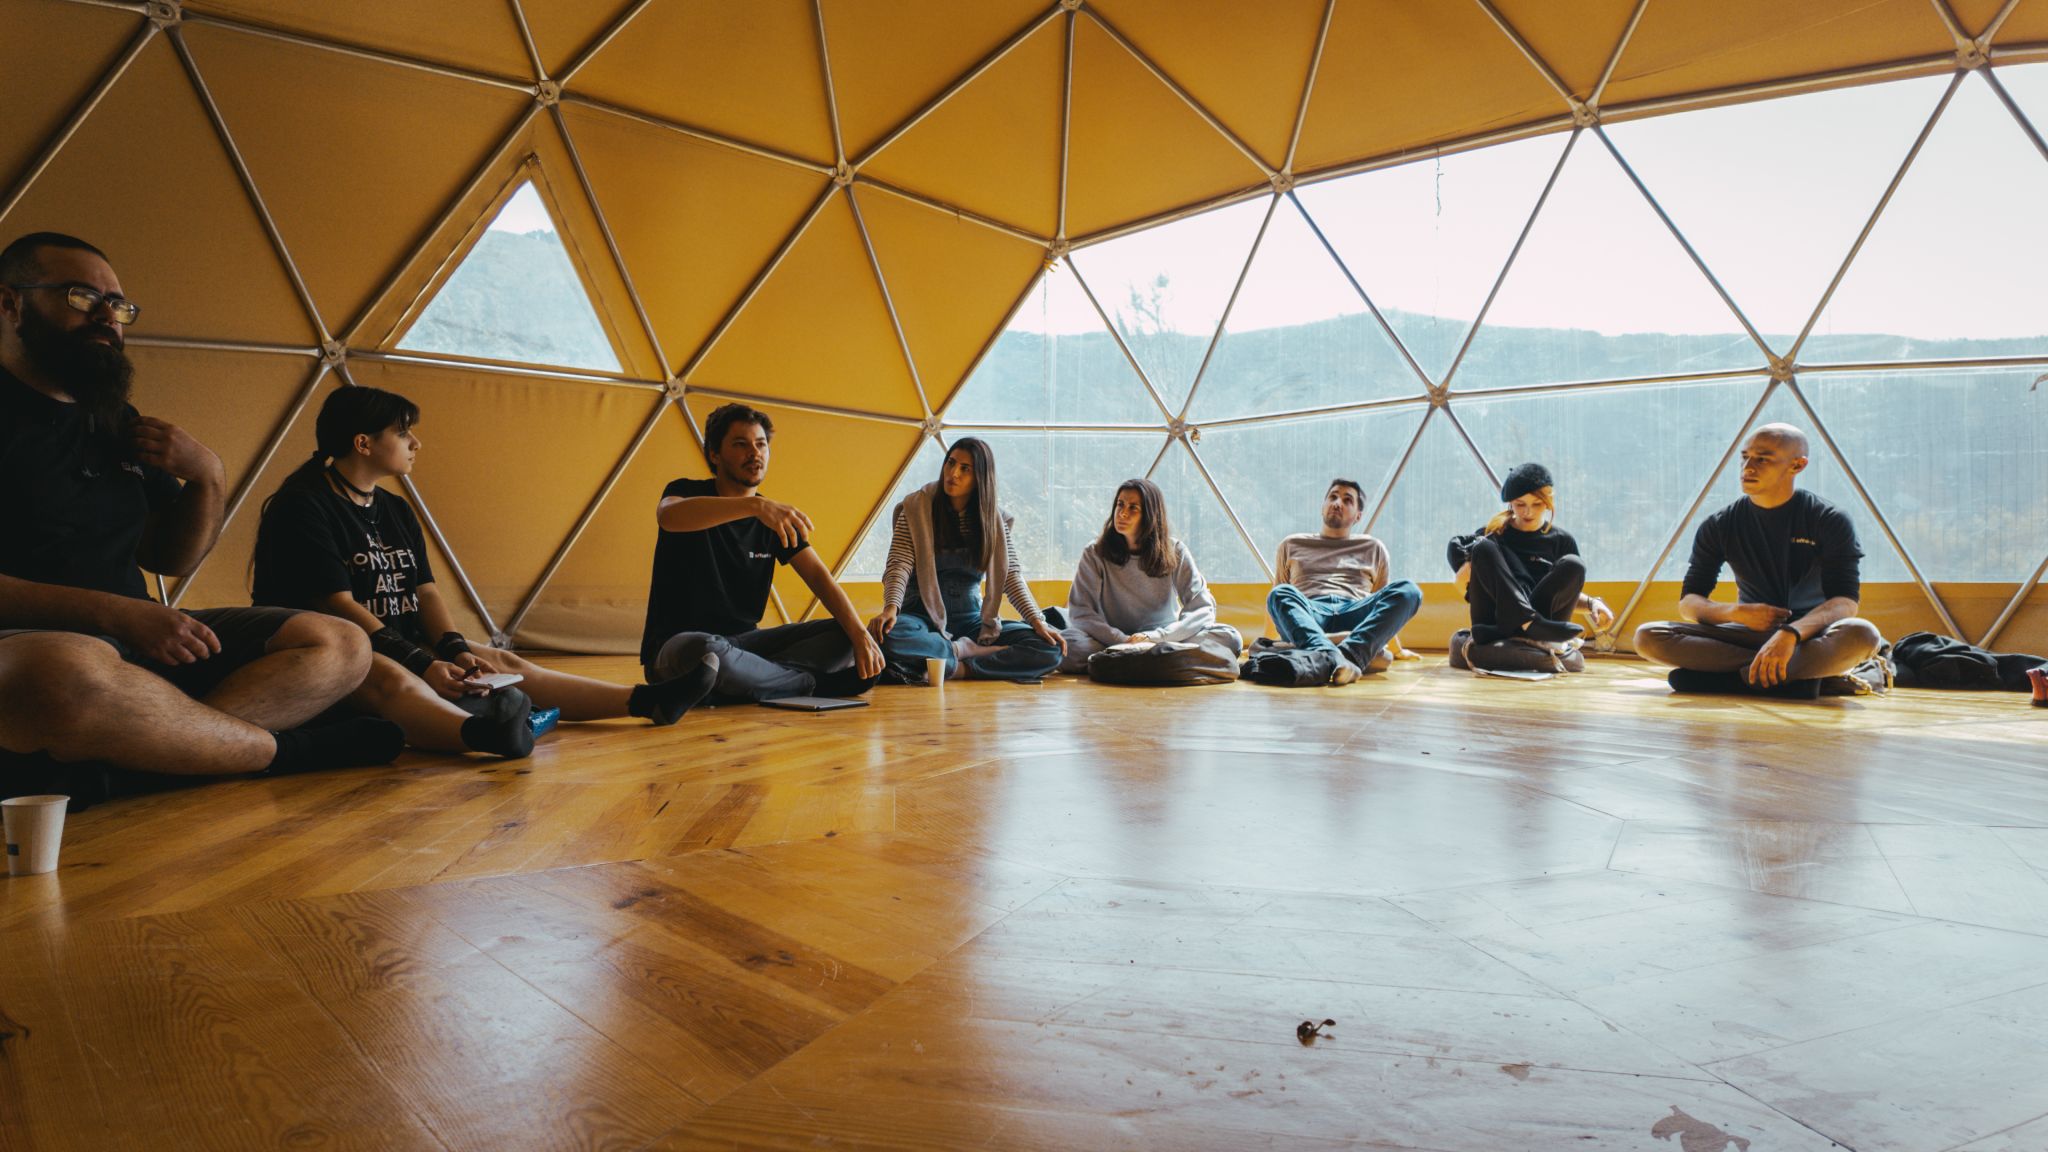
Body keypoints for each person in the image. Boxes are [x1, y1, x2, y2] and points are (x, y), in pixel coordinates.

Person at [0, 232, 399, 795]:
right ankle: (281, 752)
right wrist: (117, 614)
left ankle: (143, 761)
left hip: (139, 644)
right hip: (36, 645)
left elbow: (170, 555)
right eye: (80, 297)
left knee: (340, 644)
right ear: (10, 303)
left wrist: (209, 475)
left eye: (117, 306)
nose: (107, 318)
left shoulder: (115, 420)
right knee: (60, 673)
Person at [253, 386, 718, 760]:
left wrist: (454, 649)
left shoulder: (393, 507)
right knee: (393, 681)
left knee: (506, 664)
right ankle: (486, 735)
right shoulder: (304, 506)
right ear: (364, 443)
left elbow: (426, 591)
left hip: (397, 637)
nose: (416, 443)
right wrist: (422, 662)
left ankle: (645, 701)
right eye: (403, 433)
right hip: (336, 649)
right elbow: (338, 605)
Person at [642, 403, 884, 701]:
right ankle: (805, 684)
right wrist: (755, 505)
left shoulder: (773, 519)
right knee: (706, 652)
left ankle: (747, 682)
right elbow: (669, 517)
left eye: (761, 444)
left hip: (746, 645)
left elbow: (820, 578)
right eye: (741, 444)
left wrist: (860, 634)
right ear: (715, 455)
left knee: (845, 635)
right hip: (677, 647)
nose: (755, 453)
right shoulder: (688, 492)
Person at [1634, 423, 1883, 697]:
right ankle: (1797, 679)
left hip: (1811, 635)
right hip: (1745, 634)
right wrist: (1734, 613)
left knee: (1863, 634)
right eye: (1744, 457)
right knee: (1648, 636)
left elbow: (1845, 602)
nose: (1748, 467)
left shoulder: (1829, 519)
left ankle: (1721, 680)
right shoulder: (1720, 524)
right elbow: (1689, 603)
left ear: (1797, 466)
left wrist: (1791, 633)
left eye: (1763, 458)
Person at [868, 438, 1065, 682]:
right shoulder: (915, 507)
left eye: (965, 469)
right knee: (887, 636)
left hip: (972, 622)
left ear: (981, 477)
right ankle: (961, 652)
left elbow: (1010, 575)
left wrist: (1038, 621)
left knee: (1050, 647)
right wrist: (891, 608)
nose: (953, 473)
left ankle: (960, 668)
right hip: (921, 617)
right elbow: (899, 565)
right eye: (950, 463)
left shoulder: (995, 520)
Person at [1059, 479, 1242, 675]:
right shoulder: (1095, 552)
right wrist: (1121, 640)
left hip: (1164, 639)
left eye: (1133, 508)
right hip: (1112, 640)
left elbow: (1203, 608)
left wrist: (1156, 637)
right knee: (1067, 646)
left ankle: (1122, 661)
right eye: (1120, 504)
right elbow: (1081, 611)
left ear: (1150, 515)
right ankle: (1158, 660)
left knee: (1230, 638)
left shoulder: (1175, 550)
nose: (1122, 513)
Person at [1265, 478, 1423, 684]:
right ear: (1322, 507)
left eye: (1347, 500)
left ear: (1358, 515)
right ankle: (1339, 652)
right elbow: (1278, 605)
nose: (1337, 503)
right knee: (1280, 593)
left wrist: (1397, 649)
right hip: (1311, 613)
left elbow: (1381, 606)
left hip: (1354, 610)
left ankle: (1340, 653)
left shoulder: (1373, 547)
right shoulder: (1291, 543)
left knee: (1409, 591)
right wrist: (1266, 643)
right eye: (1332, 497)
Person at [1448, 462, 1614, 644]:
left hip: (1545, 623)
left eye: (1537, 504)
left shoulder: (1562, 541)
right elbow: (1465, 586)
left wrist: (1592, 604)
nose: (1528, 512)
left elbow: (1564, 596)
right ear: (1510, 502)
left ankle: (1531, 625)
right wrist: (1465, 579)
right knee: (1483, 546)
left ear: (1549, 503)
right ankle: (1529, 623)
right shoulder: (1492, 534)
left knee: (1574, 564)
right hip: (1497, 622)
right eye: (1520, 504)